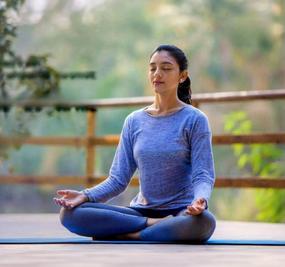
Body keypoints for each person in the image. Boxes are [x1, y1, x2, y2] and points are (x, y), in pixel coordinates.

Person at [54, 44, 216, 243]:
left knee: (204, 222)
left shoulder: (194, 119)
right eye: (152, 68)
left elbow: (203, 174)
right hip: (140, 213)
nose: (157, 74)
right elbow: (117, 179)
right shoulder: (134, 121)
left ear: (182, 76)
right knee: (70, 213)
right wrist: (85, 196)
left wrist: (201, 200)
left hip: (181, 213)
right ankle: (151, 226)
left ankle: (130, 234)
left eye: (166, 68)